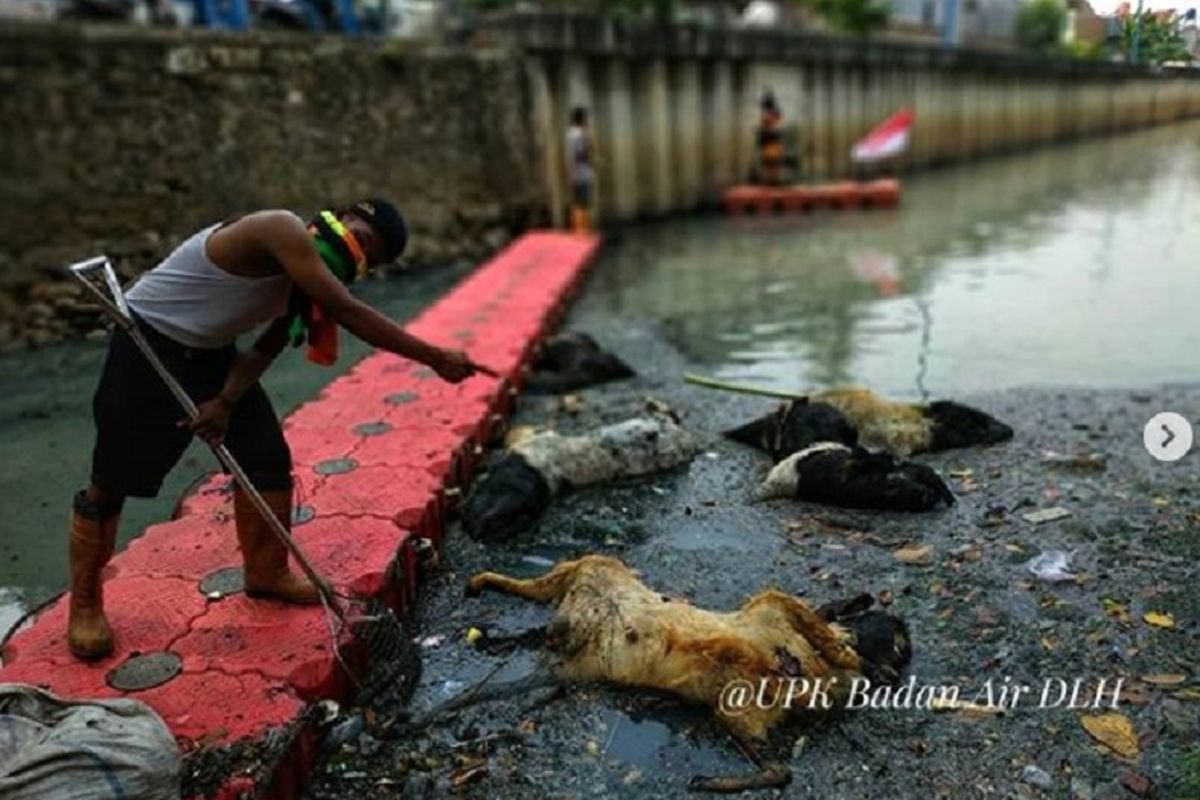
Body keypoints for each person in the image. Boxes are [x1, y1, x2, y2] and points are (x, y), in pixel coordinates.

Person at [67, 199, 481, 660]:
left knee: (266, 458)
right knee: (111, 482)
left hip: (211, 353)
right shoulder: (279, 229)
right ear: (339, 217)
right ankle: (84, 603)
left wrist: (226, 399)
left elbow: (266, 346)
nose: (356, 254)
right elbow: (346, 310)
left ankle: (266, 573)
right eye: (360, 239)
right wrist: (436, 358)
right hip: (149, 343)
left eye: (368, 259)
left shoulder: (308, 280)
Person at [565, 106, 594, 235]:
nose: (587, 121)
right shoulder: (581, 134)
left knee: (576, 201)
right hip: (582, 172)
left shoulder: (569, 133)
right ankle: (583, 230)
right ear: (581, 119)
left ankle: (576, 228)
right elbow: (581, 153)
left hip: (573, 172)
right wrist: (591, 160)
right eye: (585, 118)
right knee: (584, 201)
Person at [756, 90, 785, 186]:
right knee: (771, 163)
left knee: (771, 163)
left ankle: (772, 182)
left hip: (771, 140)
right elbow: (772, 124)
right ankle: (772, 181)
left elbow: (769, 123)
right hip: (770, 140)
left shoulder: (769, 113)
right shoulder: (773, 112)